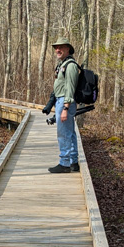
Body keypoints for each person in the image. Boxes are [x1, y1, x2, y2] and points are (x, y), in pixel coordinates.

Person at [46, 38, 79, 173]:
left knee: (63, 133)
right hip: (61, 101)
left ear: (68, 49)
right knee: (70, 133)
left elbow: (70, 89)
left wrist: (65, 108)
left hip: (65, 102)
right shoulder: (63, 64)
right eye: (56, 48)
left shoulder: (70, 66)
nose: (57, 50)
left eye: (61, 47)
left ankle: (64, 164)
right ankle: (73, 162)